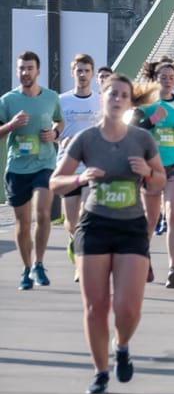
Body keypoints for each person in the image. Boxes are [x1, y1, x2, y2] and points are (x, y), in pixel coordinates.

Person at [50, 73, 165, 394]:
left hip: (130, 228)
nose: (116, 99)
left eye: (123, 95)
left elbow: (159, 181)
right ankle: (101, 371)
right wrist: (80, 178)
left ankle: (122, 345)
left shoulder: (142, 139)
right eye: (111, 94)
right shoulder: (85, 139)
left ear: (130, 103)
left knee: (128, 308)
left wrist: (147, 173)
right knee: (95, 307)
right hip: (94, 226)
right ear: (102, 99)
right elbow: (55, 183)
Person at [1, 51, 64, 289]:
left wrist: (54, 134)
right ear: (17, 72)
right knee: (23, 223)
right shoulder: (7, 101)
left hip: (44, 164)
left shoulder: (50, 97)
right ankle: (26, 269)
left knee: (43, 214)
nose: (25, 72)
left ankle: (39, 263)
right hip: (17, 167)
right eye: (21, 69)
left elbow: (59, 121)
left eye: (30, 68)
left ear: (38, 71)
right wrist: (11, 125)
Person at [132, 60, 174, 288]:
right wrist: (153, 120)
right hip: (151, 166)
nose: (168, 81)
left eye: (171, 77)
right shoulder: (146, 104)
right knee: (151, 218)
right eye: (164, 77)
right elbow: (134, 131)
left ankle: (173, 267)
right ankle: (144, 259)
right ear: (156, 80)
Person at [58, 53, 101, 282]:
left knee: (86, 214)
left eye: (86, 70)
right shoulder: (62, 101)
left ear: (92, 74)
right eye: (78, 71)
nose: (82, 75)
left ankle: (82, 265)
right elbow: (53, 130)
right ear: (72, 73)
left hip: (91, 165)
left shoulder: (100, 100)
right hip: (68, 165)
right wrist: (59, 139)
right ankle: (73, 241)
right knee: (72, 221)